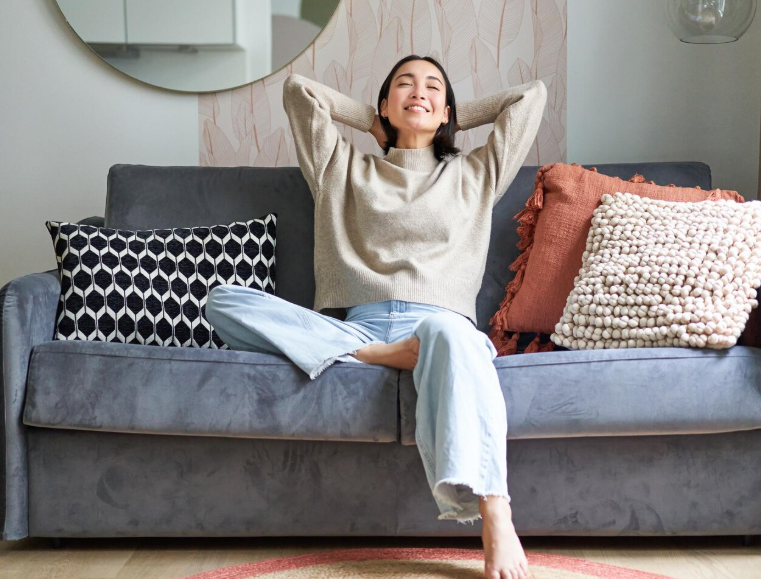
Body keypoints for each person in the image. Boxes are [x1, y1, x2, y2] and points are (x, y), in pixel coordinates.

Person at [205, 54, 547, 579]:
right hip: (354, 330)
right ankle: (379, 354)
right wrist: (374, 120)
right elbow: (300, 90)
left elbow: (531, 97)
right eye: (404, 85)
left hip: (440, 330)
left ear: (447, 110)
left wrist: (445, 116)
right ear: (384, 104)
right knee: (221, 300)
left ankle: (495, 512)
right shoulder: (341, 169)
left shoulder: (476, 174)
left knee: (448, 334)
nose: (420, 91)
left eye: (434, 87)